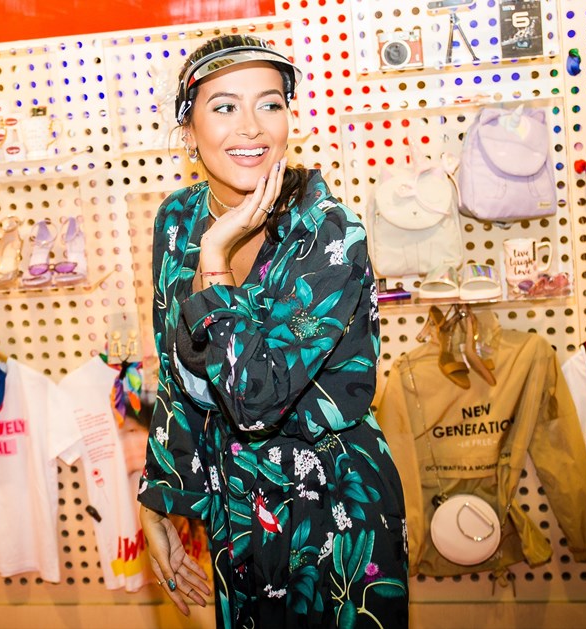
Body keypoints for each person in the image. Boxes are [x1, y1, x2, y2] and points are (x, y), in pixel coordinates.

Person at [137, 34, 410, 628]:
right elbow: (177, 373)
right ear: (189, 131)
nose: (252, 127)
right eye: (224, 106)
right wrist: (161, 496)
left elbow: (255, 398)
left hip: (332, 505)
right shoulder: (177, 219)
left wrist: (215, 260)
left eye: (270, 104)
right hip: (236, 507)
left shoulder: (328, 231)